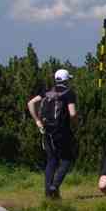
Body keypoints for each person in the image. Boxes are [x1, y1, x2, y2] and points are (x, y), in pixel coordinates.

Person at [27, 68, 79, 199]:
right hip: (62, 132)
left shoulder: (47, 92)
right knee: (66, 160)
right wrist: (75, 123)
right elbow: (72, 113)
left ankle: (48, 194)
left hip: (47, 131)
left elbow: (30, 103)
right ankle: (54, 186)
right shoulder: (69, 93)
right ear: (67, 80)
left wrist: (37, 121)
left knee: (51, 160)